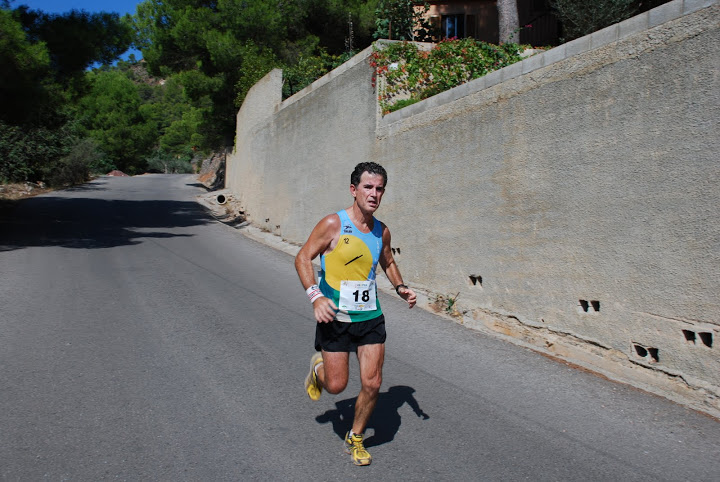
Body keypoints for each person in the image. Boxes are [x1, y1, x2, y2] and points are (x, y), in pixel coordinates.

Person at [295, 162, 417, 466]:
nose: (374, 194)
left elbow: (387, 262)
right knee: (336, 386)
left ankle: (356, 437)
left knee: (373, 383)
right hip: (334, 317)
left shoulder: (382, 230)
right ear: (354, 190)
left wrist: (400, 287)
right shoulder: (333, 224)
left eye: (379, 189)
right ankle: (317, 368)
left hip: (369, 317)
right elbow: (302, 257)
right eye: (368, 187)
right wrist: (316, 296)